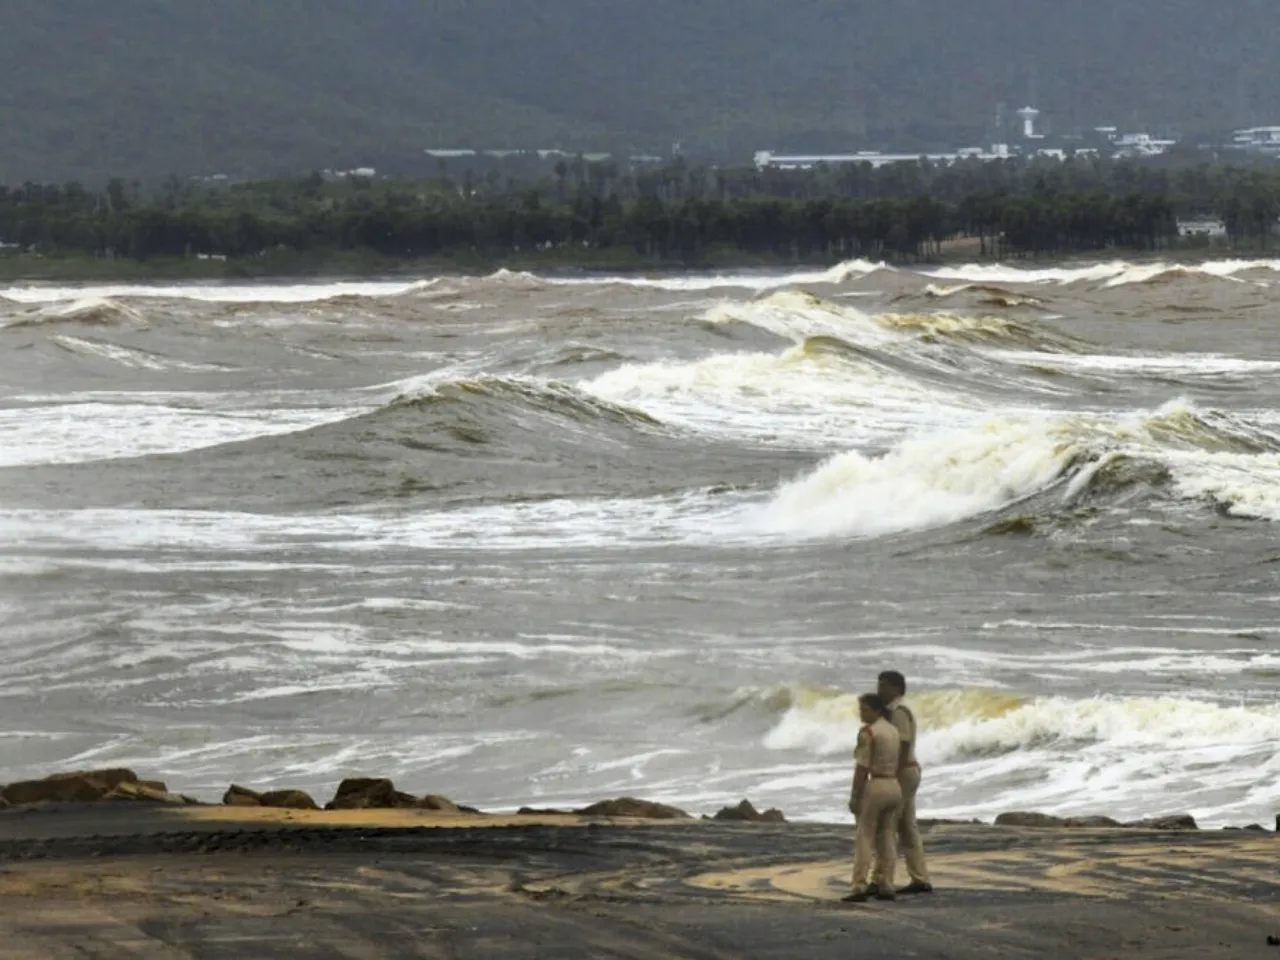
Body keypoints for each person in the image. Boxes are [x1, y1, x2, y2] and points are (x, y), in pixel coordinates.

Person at [843, 692, 902, 903]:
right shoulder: (893, 730)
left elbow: (862, 767)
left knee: (865, 836)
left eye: (865, 709)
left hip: (876, 784)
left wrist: (855, 795)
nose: (861, 713)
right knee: (887, 836)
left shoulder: (869, 732)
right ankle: (886, 883)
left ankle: (859, 884)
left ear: (875, 710)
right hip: (894, 785)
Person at [878, 670, 933, 895]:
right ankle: (920, 878)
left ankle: (882, 880)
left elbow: (901, 745)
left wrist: (893, 773)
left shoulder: (899, 712)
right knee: (908, 827)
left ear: (896, 689)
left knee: (888, 825)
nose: (879, 690)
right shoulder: (897, 710)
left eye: (883, 686)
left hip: (904, 772)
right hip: (909, 770)